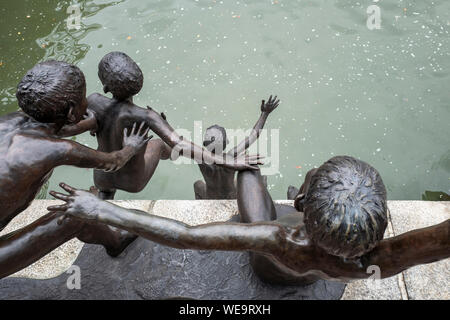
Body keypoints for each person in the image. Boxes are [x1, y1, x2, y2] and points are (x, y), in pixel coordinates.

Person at [48, 155, 450, 283]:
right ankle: (292, 197)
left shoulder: (276, 239)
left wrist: (104, 208)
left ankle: (276, 190)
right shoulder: (387, 256)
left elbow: (186, 236)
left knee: (248, 172)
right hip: (324, 259)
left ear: (307, 205)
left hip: (269, 267)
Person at [0, 60, 152, 279]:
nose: (87, 103)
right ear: (71, 111)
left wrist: (86, 122)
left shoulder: (10, 122)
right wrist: (132, 146)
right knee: (79, 212)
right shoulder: (58, 150)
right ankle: (115, 242)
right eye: (83, 99)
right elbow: (113, 161)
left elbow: (46, 132)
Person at [59, 51, 261, 200]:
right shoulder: (146, 116)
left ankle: (104, 199)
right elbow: (181, 144)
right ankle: (167, 151)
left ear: (105, 86)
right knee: (159, 144)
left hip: (103, 175)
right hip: (133, 181)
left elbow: (77, 127)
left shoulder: (94, 100)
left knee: (109, 171)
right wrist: (228, 161)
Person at [194, 95, 279, 199]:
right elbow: (253, 136)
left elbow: (177, 145)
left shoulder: (200, 157)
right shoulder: (231, 156)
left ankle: (200, 203)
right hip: (232, 196)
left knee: (198, 184)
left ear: (205, 144)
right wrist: (265, 114)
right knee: (259, 178)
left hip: (211, 196)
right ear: (227, 142)